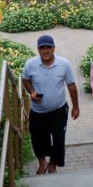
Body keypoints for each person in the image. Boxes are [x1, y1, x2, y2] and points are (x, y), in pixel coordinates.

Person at [21, 35, 80, 174]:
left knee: (59, 140)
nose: (45, 51)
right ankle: (42, 162)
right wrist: (31, 91)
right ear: (38, 49)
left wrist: (76, 107)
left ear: (54, 48)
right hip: (37, 112)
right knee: (37, 140)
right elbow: (25, 79)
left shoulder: (63, 64)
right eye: (42, 48)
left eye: (48, 47)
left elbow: (71, 85)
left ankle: (53, 164)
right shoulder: (30, 64)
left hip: (59, 110)